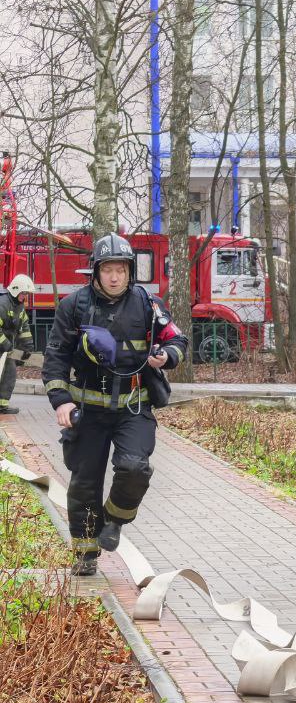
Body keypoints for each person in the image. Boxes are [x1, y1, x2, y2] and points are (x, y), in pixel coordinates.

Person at [42, 233, 189, 576]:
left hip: (133, 409)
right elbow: (56, 357)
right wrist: (61, 401)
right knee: (84, 483)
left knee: (135, 468)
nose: (114, 276)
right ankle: (85, 553)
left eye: (121, 269)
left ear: (130, 271)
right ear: (95, 271)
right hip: (88, 411)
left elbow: (178, 340)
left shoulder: (148, 305)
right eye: (107, 269)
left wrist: (166, 356)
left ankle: (114, 521)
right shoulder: (73, 306)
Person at [0, 274, 37, 414]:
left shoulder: (19, 307)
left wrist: (27, 348)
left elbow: (24, 328)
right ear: (15, 290)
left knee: (9, 373)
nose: (25, 296)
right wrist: (6, 344)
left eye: (26, 293)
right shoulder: (2, 304)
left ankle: (2, 405)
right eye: (23, 293)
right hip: (3, 345)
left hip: (5, 347)